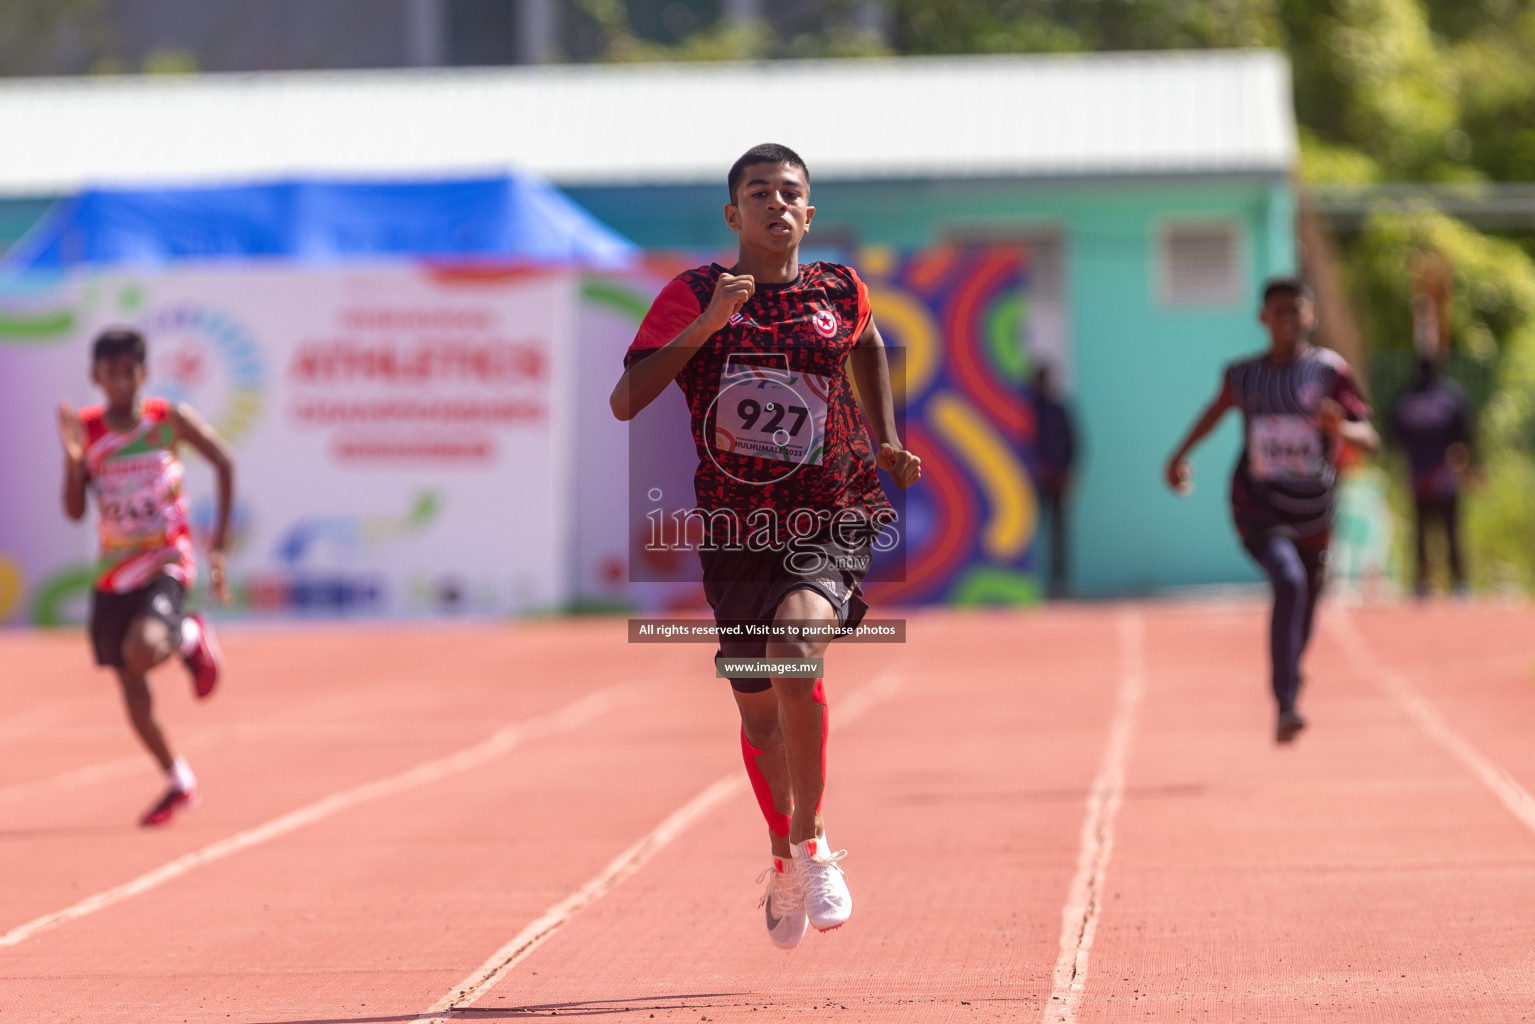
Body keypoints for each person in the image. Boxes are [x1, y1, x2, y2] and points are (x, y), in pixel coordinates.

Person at [610, 143, 920, 948]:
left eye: (791, 193)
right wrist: (708, 325)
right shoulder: (692, 294)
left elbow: (867, 343)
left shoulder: (837, 289)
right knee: (758, 722)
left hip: (831, 511)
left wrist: (884, 437)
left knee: (795, 646)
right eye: (759, 193)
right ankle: (781, 856)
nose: (776, 204)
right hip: (736, 528)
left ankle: (813, 842)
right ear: (732, 214)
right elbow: (625, 399)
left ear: (808, 213)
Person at [1164, 277, 1378, 743]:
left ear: (1311, 316)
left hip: (1315, 512)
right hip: (1258, 506)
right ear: (1263, 319)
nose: (1287, 319)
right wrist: (1180, 454)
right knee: (1288, 580)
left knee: (1304, 605)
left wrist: (1340, 427)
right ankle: (1285, 703)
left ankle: (1290, 674)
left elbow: (1370, 438)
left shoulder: (1328, 373)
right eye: (1278, 311)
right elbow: (1215, 410)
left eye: (1296, 310)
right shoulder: (1243, 376)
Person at [58, 327, 234, 826]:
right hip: (114, 573)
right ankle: (178, 778)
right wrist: (73, 464)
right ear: (96, 376)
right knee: (130, 685)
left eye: (129, 372)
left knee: (143, 647)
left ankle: (191, 634)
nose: (120, 382)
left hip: (165, 560)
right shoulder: (87, 432)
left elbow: (223, 461)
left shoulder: (166, 421)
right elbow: (73, 511)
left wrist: (218, 542)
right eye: (110, 373)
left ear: (143, 374)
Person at [1391, 356, 1474, 596]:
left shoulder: (1406, 398)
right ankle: (1458, 583)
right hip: (1443, 474)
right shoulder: (1451, 395)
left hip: (1420, 473)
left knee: (1422, 531)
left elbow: (1394, 436)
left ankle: (1423, 582)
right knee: (1450, 530)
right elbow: (1466, 434)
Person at [1031, 365, 1077, 597]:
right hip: (1034, 483)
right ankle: (1029, 580)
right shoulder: (1026, 410)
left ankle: (1059, 583)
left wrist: (1067, 473)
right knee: (1029, 532)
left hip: (1057, 481)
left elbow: (1074, 443)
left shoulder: (1058, 409)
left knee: (1058, 532)